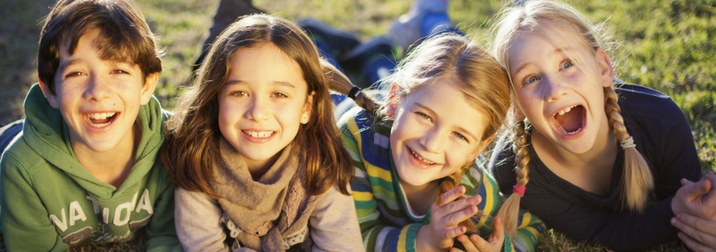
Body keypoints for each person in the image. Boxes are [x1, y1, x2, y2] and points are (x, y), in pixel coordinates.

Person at [487, 0, 714, 250]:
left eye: (567, 64)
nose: (555, 90)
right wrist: (673, 214)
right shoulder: (514, 173)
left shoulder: (661, 122)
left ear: (603, 68)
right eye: (531, 78)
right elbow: (599, 231)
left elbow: (697, 211)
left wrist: (700, 221)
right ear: (516, 105)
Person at [160, 14, 364, 251]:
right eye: (239, 93)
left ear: (306, 108)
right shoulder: (198, 160)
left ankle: (335, 43)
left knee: (360, 84)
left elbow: (342, 245)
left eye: (279, 94)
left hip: (339, 103)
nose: (257, 113)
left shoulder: (320, 162)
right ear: (215, 98)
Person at [0, 0, 181, 251]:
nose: (97, 92)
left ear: (146, 86)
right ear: (50, 91)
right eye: (76, 73)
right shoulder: (22, 168)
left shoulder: (175, 146)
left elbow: (169, 236)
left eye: (118, 71)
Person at [338, 33, 544, 252]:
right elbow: (349, 238)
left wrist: (502, 248)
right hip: (350, 106)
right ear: (394, 100)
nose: (432, 144)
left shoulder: (473, 197)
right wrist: (424, 241)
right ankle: (362, 49)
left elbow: (531, 226)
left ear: (479, 148)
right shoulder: (355, 138)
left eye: (459, 135)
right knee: (333, 91)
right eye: (425, 116)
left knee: (380, 68)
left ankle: (376, 53)